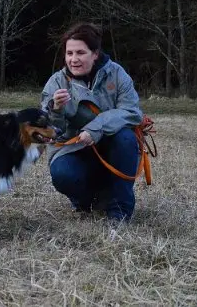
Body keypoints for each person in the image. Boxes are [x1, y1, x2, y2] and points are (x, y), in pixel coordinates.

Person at [41, 22, 143, 222]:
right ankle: (86, 200)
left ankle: (119, 211)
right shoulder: (56, 82)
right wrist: (56, 110)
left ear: (95, 53)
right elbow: (52, 132)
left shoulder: (118, 74)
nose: (73, 59)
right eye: (69, 53)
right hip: (74, 149)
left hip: (113, 147)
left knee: (126, 138)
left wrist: (96, 128)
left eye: (80, 52)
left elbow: (132, 112)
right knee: (62, 173)